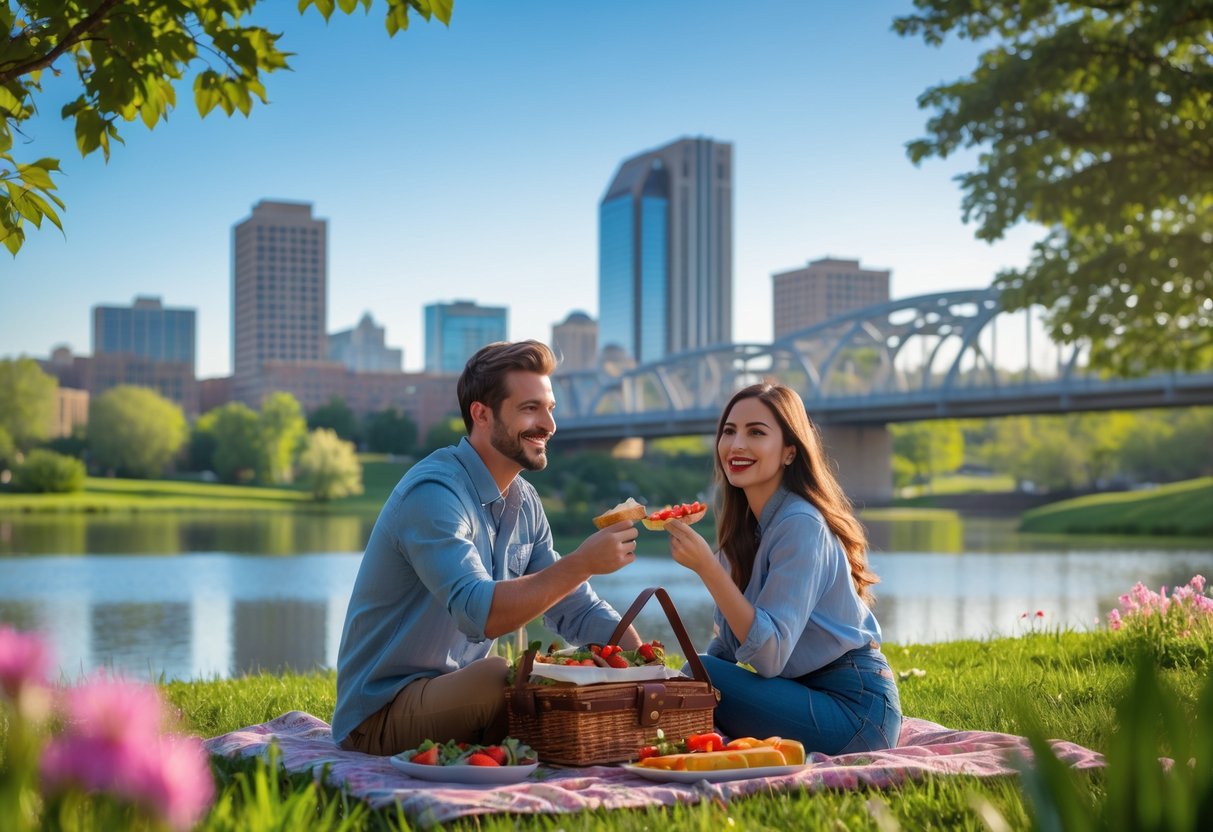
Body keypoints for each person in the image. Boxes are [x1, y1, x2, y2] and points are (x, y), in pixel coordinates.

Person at [333, 340, 642, 755]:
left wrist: (643, 665)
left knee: (569, 668)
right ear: (481, 414)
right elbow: (482, 615)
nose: (549, 425)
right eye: (531, 408)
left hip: (457, 697)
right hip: (380, 713)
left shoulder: (525, 502)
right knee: (500, 677)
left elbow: (578, 609)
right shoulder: (434, 493)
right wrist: (584, 561)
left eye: (550, 408)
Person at [663, 382, 902, 754]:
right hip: (801, 694)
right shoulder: (744, 532)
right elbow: (726, 647)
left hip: (857, 712)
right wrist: (671, 683)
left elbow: (769, 656)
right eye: (729, 431)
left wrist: (708, 569)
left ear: (789, 452)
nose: (736, 445)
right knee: (696, 674)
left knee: (701, 675)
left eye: (756, 432)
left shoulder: (801, 523)